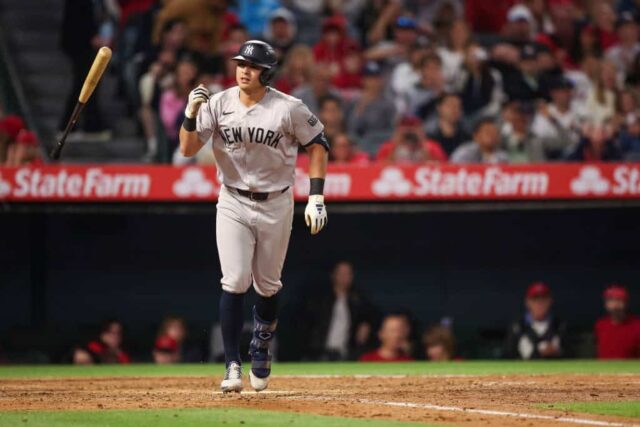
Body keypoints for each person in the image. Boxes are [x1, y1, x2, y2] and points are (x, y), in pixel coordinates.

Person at [179, 40, 329, 393]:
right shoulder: (218, 103)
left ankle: (261, 343)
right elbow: (187, 149)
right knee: (233, 281)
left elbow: (319, 143)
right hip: (232, 199)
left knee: (268, 285)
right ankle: (232, 364)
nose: (244, 70)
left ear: (268, 72)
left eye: (252, 66)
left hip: (277, 201)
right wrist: (189, 112)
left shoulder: (288, 108)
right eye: (240, 64)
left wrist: (317, 195)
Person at [304, 261, 378, 360]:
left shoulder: (358, 301)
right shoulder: (319, 301)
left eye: (348, 273)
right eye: (341, 273)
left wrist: (365, 325)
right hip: (318, 353)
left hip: (345, 354)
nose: (345, 277)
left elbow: (371, 317)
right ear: (333, 275)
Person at [504, 282, 566, 360]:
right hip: (524, 370)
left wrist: (557, 352)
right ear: (527, 302)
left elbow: (571, 355)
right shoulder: (518, 326)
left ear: (550, 301)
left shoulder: (559, 325)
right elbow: (508, 355)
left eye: (544, 298)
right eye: (535, 298)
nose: (539, 303)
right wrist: (536, 352)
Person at [346, 61, 396, 139]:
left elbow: (392, 130)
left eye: (376, 78)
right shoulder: (355, 101)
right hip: (360, 143)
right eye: (369, 78)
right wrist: (360, 108)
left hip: (381, 142)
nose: (373, 82)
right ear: (363, 80)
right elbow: (351, 130)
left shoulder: (388, 104)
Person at [376, 115, 447, 164]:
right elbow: (380, 168)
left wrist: (422, 142)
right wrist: (396, 144)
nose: (409, 133)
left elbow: (441, 167)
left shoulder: (432, 146)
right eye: (406, 129)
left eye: (413, 128)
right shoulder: (387, 147)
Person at [595, 284, 640, 359]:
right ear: (606, 304)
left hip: (629, 369)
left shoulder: (637, 326)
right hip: (604, 369)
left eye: (619, 300)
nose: (615, 305)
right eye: (610, 300)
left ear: (626, 303)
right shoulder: (600, 325)